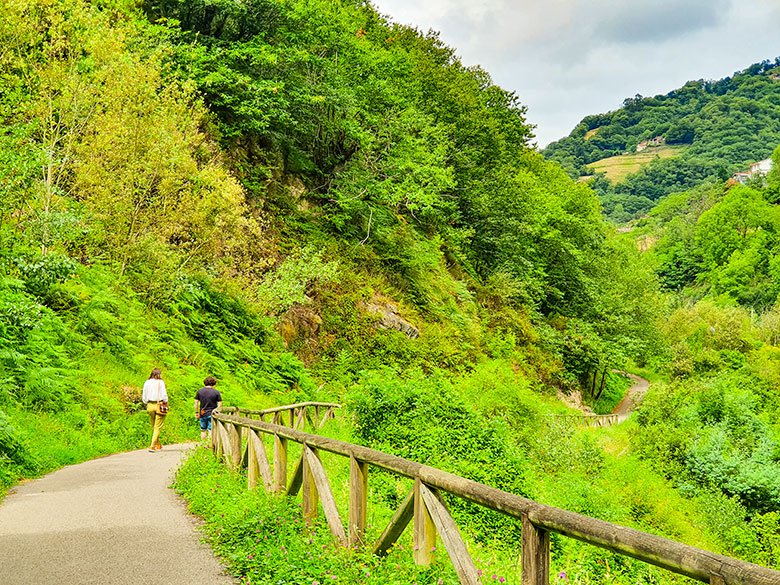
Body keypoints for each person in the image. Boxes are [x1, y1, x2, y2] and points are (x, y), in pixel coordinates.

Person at [142, 368, 168, 452]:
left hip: (150, 405)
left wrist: (146, 402)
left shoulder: (147, 382)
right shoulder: (161, 382)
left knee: (154, 426)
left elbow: (144, 395)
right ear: (159, 374)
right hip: (159, 405)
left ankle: (158, 444)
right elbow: (164, 394)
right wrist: (165, 401)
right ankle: (152, 446)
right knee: (157, 427)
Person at [194, 376, 222, 441]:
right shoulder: (216, 392)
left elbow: (196, 403)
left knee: (203, 430)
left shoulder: (200, 391)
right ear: (214, 383)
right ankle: (209, 444)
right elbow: (220, 404)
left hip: (202, 413)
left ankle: (203, 444)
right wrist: (217, 411)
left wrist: (197, 412)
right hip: (212, 413)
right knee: (211, 430)